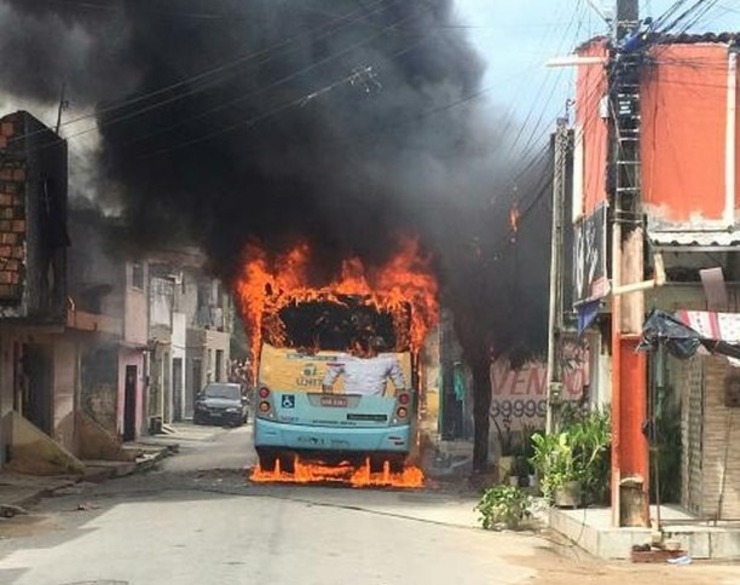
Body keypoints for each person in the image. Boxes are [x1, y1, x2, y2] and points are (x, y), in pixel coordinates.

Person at [322, 336, 406, 397]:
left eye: (357, 349)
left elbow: (400, 387)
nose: (353, 351)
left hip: (377, 409)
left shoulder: (388, 361)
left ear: (369, 347)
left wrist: (392, 408)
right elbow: (327, 382)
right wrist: (332, 405)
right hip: (350, 408)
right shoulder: (344, 359)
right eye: (354, 347)